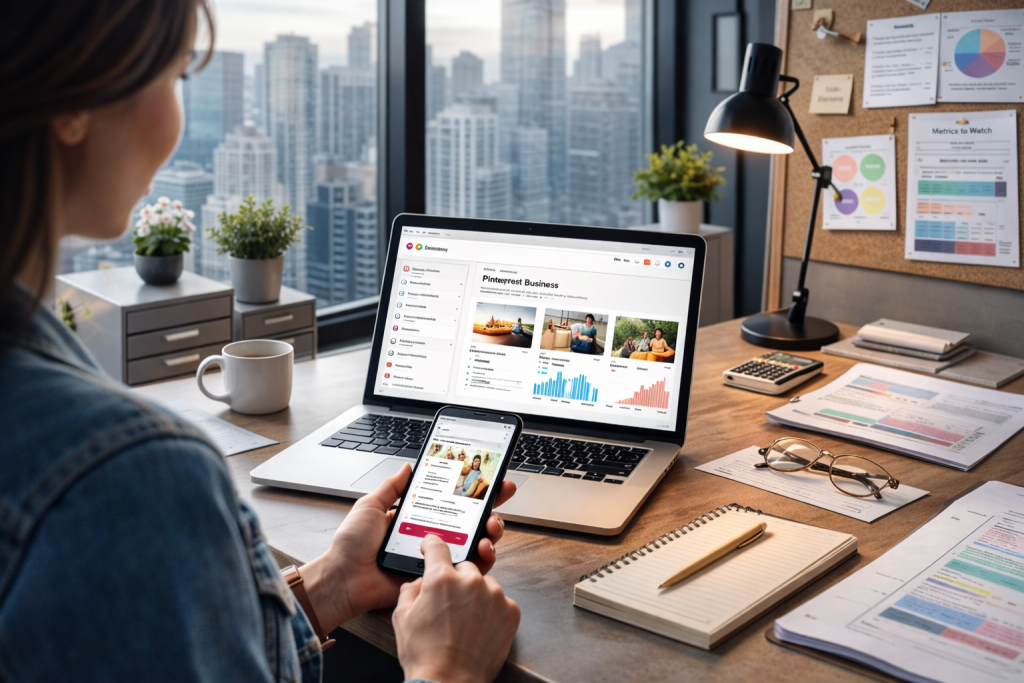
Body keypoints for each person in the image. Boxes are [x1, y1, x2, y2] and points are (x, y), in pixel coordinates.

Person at [0, 2, 520, 681]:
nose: (179, 120)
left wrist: (331, 585)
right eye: (177, 74)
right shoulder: (129, 479)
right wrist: (445, 668)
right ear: (75, 97)